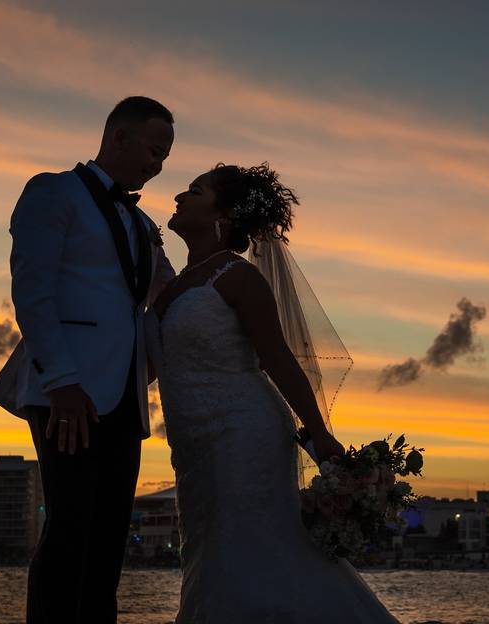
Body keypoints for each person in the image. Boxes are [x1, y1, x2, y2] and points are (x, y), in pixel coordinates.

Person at [147, 162, 399, 622]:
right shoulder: (170, 288)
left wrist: (319, 432)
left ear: (223, 214)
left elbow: (279, 360)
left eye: (195, 191)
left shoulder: (238, 277)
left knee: (251, 548)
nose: (180, 197)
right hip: (192, 448)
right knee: (209, 549)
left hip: (245, 432)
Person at [0, 97, 176, 623]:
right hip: (68, 392)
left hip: (126, 394)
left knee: (109, 534)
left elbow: (166, 296)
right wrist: (63, 382)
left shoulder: (142, 224)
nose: (158, 166)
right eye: (154, 150)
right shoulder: (52, 191)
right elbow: (34, 291)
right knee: (69, 527)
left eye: (165, 157)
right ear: (119, 137)